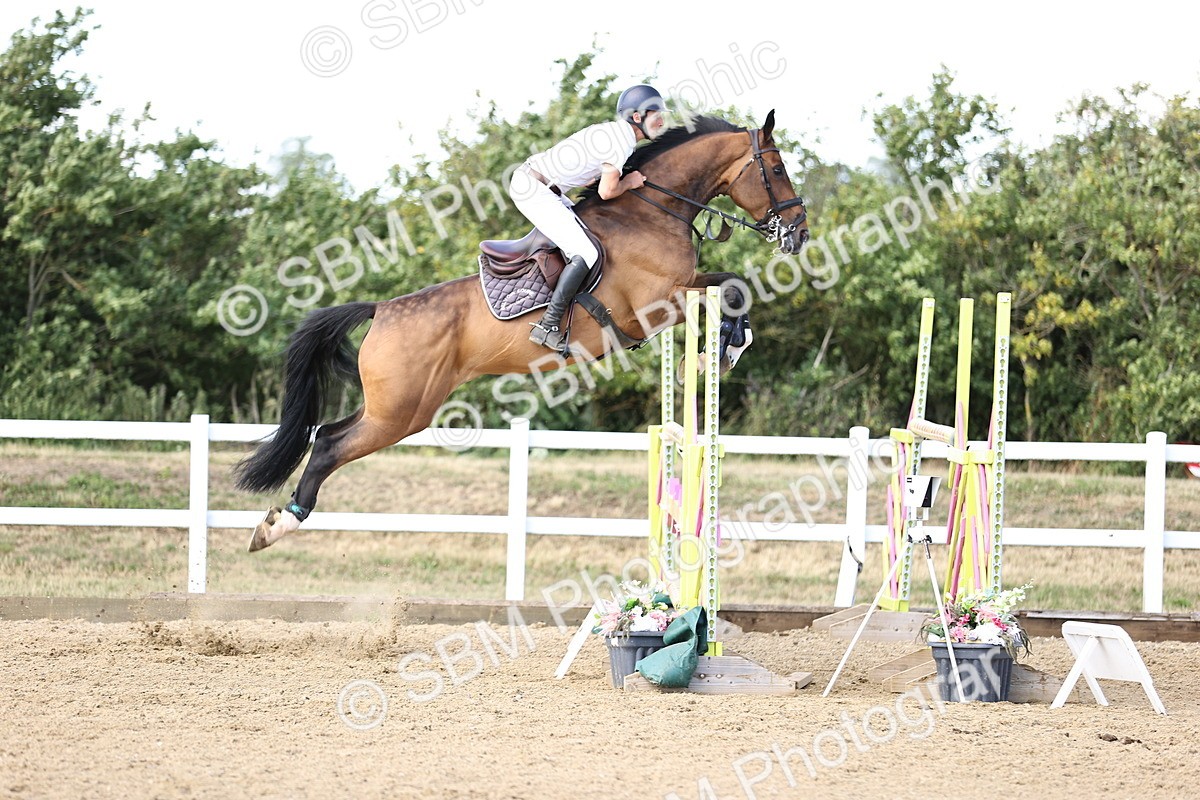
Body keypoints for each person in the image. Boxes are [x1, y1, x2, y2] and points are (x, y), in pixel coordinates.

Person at [510, 84, 668, 350]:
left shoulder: (615, 133)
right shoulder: (621, 142)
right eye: (656, 114)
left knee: (593, 238)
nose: (662, 120)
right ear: (637, 117)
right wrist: (629, 182)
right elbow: (607, 192)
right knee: (587, 252)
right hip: (534, 190)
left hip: (545, 186)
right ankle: (547, 324)